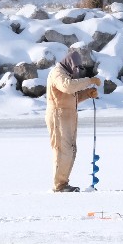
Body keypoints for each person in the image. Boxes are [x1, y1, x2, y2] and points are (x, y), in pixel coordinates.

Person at [45, 49, 100, 192]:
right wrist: (89, 81)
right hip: (58, 116)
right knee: (62, 150)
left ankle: (64, 182)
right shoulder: (58, 74)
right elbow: (68, 87)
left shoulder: (67, 75)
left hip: (69, 116)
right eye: (77, 67)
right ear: (69, 63)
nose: (78, 71)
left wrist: (87, 94)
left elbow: (72, 97)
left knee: (71, 150)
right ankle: (59, 185)